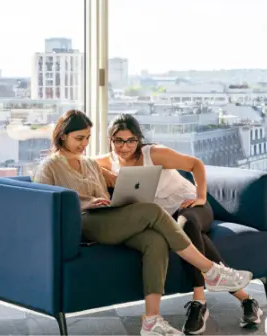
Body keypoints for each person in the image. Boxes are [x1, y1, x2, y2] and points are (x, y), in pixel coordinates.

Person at [33, 109, 253, 336]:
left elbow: (122, 182)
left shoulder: (90, 163)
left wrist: (123, 191)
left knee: (154, 240)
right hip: (84, 224)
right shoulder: (49, 166)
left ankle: (151, 321)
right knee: (153, 211)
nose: (85, 143)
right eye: (79, 138)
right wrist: (85, 201)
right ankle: (211, 270)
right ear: (62, 136)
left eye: (88, 138)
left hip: (108, 218)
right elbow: (43, 202)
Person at [94, 113, 262, 335]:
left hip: (192, 207)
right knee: (187, 236)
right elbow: (79, 166)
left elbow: (195, 164)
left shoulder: (154, 153)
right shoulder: (106, 162)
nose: (124, 147)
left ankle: (199, 302)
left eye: (131, 140)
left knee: (185, 227)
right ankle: (247, 300)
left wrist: (201, 196)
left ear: (139, 139)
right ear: (110, 139)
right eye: (118, 140)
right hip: (164, 218)